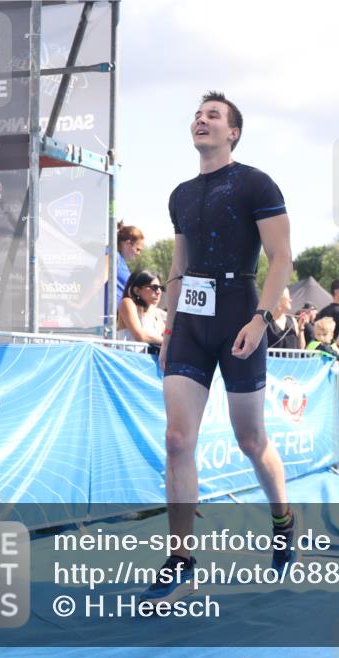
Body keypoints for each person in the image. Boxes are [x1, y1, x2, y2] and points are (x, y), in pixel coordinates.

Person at [148, 91, 294, 604]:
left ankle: (283, 519)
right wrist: (166, 329)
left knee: (251, 440)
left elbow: (281, 259)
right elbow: (177, 269)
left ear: (233, 131)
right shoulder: (180, 195)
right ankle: (181, 558)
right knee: (177, 439)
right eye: (197, 115)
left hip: (240, 314)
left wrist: (262, 318)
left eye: (213, 116)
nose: (201, 120)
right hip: (189, 319)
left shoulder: (256, 182)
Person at [117, 270, 166, 355]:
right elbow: (140, 336)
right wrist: (166, 342)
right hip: (129, 364)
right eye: (154, 287)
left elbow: (167, 334)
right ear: (137, 290)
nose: (158, 292)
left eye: (160, 288)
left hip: (149, 365)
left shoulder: (155, 312)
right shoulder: (127, 303)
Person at [116, 222, 144, 304]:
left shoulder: (120, 261)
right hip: (108, 314)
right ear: (128, 244)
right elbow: (97, 281)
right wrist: (81, 304)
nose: (138, 254)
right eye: (137, 249)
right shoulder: (113, 257)